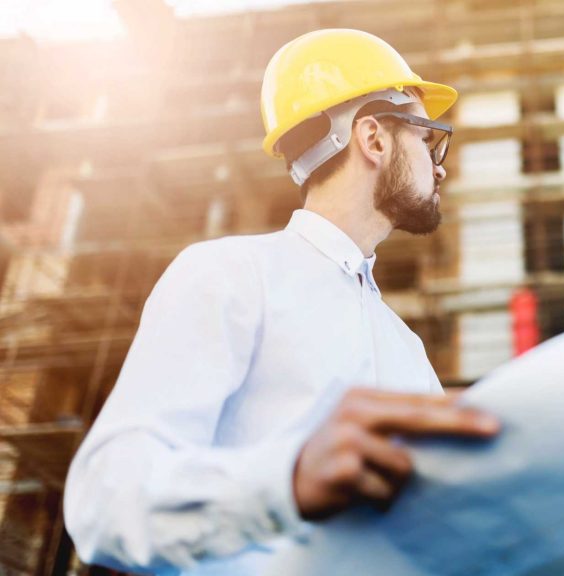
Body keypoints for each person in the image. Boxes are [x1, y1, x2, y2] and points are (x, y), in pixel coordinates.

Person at [63, 29, 500, 575]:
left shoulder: (405, 347)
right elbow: (105, 501)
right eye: (429, 139)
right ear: (375, 138)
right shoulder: (231, 276)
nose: (440, 167)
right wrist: (287, 480)